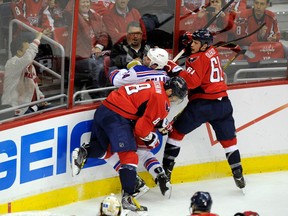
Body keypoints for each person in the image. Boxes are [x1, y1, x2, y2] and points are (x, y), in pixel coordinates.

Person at [71, 75, 188, 211]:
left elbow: (141, 106)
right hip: (117, 117)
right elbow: (140, 129)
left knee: (105, 150)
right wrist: (151, 137)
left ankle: (83, 152)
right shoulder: (161, 100)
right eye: (176, 96)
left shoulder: (155, 84)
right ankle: (127, 199)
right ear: (169, 92)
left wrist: (157, 122)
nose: (174, 100)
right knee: (130, 156)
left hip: (103, 110)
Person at [161, 29, 246, 190]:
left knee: (176, 132)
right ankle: (238, 172)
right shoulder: (212, 51)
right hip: (223, 105)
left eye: (195, 42)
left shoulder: (195, 58)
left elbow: (191, 82)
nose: (192, 44)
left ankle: (166, 170)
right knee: (229, 142)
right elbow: (200, 57)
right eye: (192, 42)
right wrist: (189, 44)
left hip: (203, 105)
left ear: (204, 45)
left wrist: (174, 68)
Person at [108, 48, 172, 197]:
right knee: (143, 152)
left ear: (155, 65)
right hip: (153, 119)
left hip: (130, 118)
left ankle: (133, 182)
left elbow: (113, 78)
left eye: (149, 59)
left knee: (112, 149)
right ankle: (160, 174)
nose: (145, 59)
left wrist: (129, 68)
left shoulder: (139, 72)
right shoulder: (166, 77)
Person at [64, 0, 112, 99]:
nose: (85, 4)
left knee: (110, 64)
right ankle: (99, 97)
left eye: (87, 2)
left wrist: (98, 47)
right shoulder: (73, 16)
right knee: (96, 66)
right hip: (79, 57)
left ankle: (106, 96)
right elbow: (67, 10)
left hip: (95, 54)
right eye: (82, 2)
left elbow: (104, 33)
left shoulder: (95, 16)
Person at [2, 31, 49, 115]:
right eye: (28, 50)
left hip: (32, 105)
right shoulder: (12, 63)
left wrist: (41, 98)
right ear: (19, 52)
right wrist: (37, 39)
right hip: (17, 108)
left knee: (54, 109)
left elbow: (35, 85)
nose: (31, 52)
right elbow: (28, 58)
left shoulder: (30, 66)